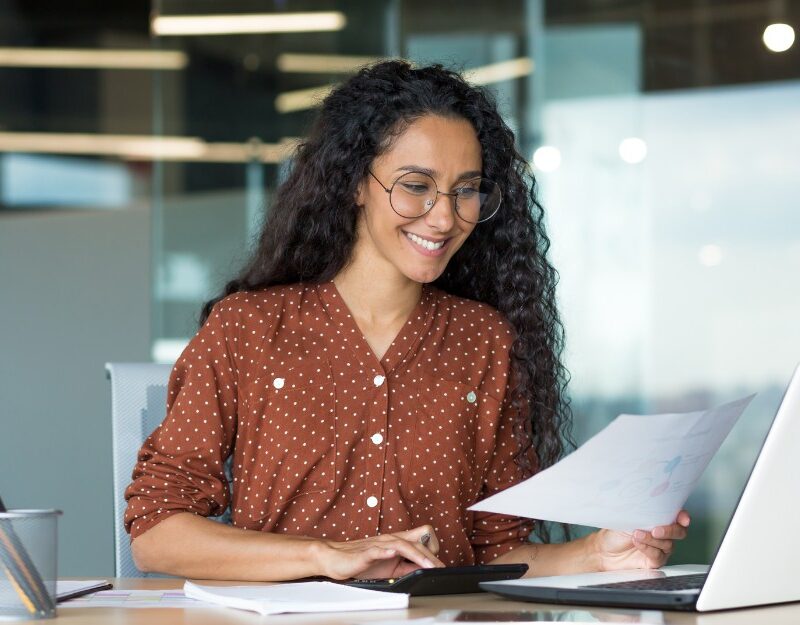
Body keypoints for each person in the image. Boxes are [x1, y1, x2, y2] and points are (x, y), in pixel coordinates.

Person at [124, 60, 689, 582]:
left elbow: (494, 554)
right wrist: (324, 556)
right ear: (354, 182)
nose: (444, 216)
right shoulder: (248, 327)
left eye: (465, 190)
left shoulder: (485, 340)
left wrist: (596, 554)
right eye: (415, 186)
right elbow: (157, 533)